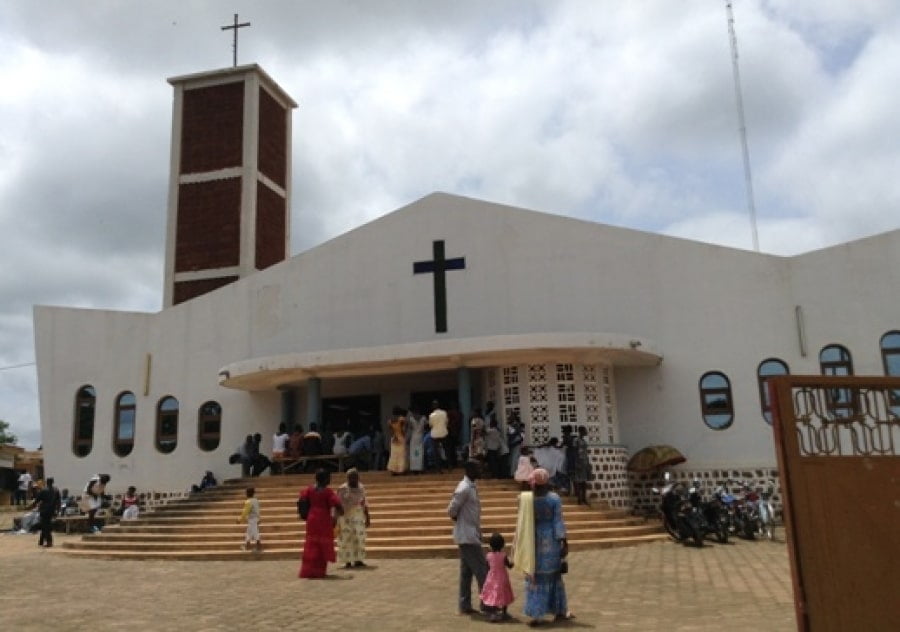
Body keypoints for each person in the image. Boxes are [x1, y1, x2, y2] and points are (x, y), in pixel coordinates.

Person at [513, 468, 573, 625]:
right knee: (553, 575)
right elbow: (558, 521)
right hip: (551, 539)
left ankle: (536, 613)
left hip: (532, 539)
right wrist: (564, 541)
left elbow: (520, 513)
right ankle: (559, 610)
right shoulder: (554, 499)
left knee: (535, 576)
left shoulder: (527, 499)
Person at [447, 460, 488, 615]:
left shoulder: (471, 486)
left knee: (466, 573)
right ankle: (487, 604)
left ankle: (464, 605)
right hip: (467, 536)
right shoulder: (464, 488)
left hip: (470, 533)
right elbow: (451, 509)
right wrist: (456, 518)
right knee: (482, 571)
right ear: (470, 470)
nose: (480, 470)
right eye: (477, 468)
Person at [298, 469, 343, 578]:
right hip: (323, 519)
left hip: (312, 517)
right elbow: (337, 504)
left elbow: (302, 498)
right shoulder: (328, 492)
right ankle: (319, 571)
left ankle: (308, 570)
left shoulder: (309, 490)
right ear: (325, 479)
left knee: (311, 544)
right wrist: (340, 514)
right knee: (322, 544)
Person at [336, 468, 370, 568]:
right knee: (346, 539)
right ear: (347, 478)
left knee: (359, 538)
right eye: (351, 478)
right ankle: (348, 561)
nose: (353, 480)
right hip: (345, 516)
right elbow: (337, 504)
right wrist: (336, 518)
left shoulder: (361, 487)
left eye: (355, 477)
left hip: (358, 516)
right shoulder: (342, 489)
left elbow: (364, 503)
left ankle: (358, 559)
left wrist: (367, 517)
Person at [481, 532, 515, 622]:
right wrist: (514, 562)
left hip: (491, 578)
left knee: (493, 594)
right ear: (502, 545)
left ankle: (493, 613)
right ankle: (504, 613)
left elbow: (487, 567)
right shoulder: (503, 556)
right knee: (504, 593)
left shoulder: (488, 556)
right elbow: (509, 566)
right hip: (502, 578)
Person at [29, 476, 61, 547]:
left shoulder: (43, 490)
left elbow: (37, 500)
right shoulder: (56, 490)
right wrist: (58, 511)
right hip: (52, 510)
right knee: (45, 525)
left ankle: (49, 542)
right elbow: (59, 502)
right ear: (53, 482)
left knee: (45, 526)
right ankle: (41, 541)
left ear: (47, 482)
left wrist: (30, 506)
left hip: (44, 510)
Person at [570, 426, 591, 505]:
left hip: (585, 462)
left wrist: (588, 463)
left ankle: (584, 498)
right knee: (579, 481)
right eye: (585, 430)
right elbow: (574, 452)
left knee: (584, 482)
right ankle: (579, 499)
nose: (586, 432)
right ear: (581, 431)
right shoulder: (576, 440)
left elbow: (585, 452)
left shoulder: (584, 441)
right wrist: (576, 463)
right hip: (579, 462)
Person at [236, 486, 262, 552]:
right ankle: (247, 545)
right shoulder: (256, 500)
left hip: (252, 519)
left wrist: (240, 520)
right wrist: (259, 518)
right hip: (255, 518)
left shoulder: (248, 502)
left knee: (255, 532)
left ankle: (258, 547)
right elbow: (258, 510)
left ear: (248, 493)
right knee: (249, 532)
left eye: (246, 493)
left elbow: (245, 512)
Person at [429, 400, 450, 472]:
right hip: (444, 433)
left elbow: (430, 425)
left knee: (436, 452)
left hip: (435, 434)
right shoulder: (444, 413)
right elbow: (447, 422)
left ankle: (438, 468)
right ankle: (449, 466)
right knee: (446, 450)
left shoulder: (431, 415)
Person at [386, 406, 407, 475]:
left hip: (394, 438)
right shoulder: (401, 419)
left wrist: (394, 436)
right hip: (400, 437)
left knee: (394, 454)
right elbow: (403, 430)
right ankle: (400, 470)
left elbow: (391, 431)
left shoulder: (390, 420)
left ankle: (393, 470)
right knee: (401, 454)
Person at [408, 407, 426, 473]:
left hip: (414, 437)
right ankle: (420, 468)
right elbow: (426, 425)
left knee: (414, 453)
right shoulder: (423, 418)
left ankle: (414, 468)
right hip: (420, 436)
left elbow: (410, 427)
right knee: (420, 452)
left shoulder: (411, 419)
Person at [507, 412, 524, 478]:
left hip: (517, 444)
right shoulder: (510, 426)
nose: (510, 418)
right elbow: (510, 435)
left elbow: (522, 436)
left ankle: (516, 474)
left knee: (516, 460)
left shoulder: (519, 425)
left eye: (511, 416)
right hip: (512, 444)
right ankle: (513, 474)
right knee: (512, 460)